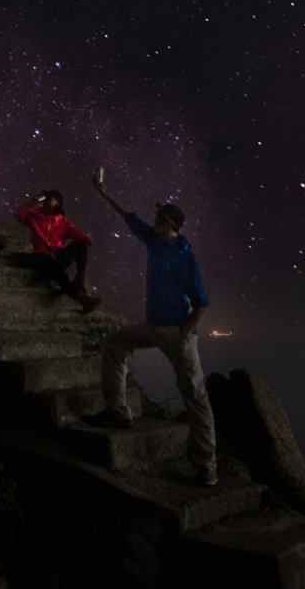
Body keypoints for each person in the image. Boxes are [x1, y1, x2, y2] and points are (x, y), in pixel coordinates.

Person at [88, 174, 218, 487]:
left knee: (196, 397)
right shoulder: (154, 239)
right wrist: (103, 191)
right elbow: (127, 215)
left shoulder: (187, 258)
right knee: (116, 344)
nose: (154, 217)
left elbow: (201, 303)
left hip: (177, 334)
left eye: (159, 216)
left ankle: (207, 467)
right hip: (154, 326)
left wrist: (186, 330)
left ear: (169, 223)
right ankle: (118, 411)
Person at [13, 189, 100, 312]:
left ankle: (81, 279)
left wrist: (86, 238)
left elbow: (76, 233)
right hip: (40, 256)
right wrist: (32, 202)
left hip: (56, 257)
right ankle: (82, 299)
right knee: (60, 275)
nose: (47, 199)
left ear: (58, 202)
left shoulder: (63, 222)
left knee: (81, 244)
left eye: (50, 197)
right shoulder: (35, 216)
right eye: (45, 197)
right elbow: (18, 215)